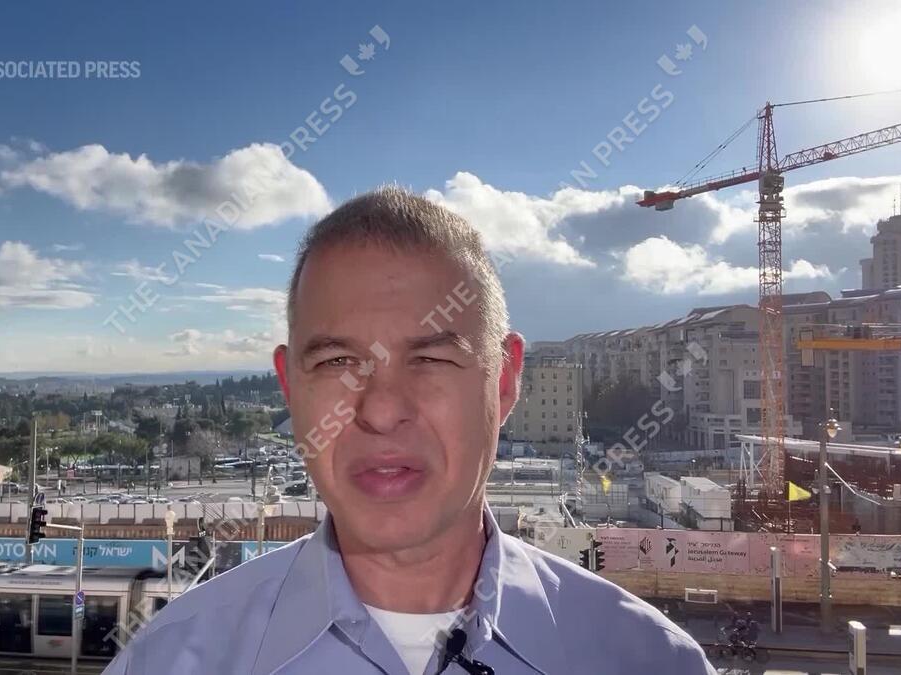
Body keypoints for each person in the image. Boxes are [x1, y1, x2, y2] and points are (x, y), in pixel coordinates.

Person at [103, 188, 715, 674]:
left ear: (505, 382)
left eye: (429, 359)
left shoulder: (652, 661)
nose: (380, 410)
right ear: (290, 388)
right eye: (338, 363)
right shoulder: (167, 661)